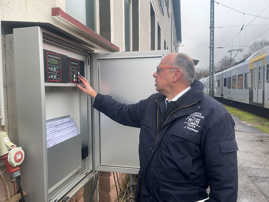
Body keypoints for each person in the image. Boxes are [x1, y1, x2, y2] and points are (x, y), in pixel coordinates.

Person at [77, 53, 238, 202]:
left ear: (175, 75)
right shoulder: (153, 104)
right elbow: (124, 113)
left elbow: (225, 188)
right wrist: (94, 95)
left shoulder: (214, 116)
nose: (154, 74)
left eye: (159, 70)